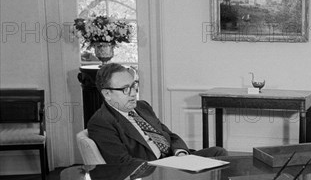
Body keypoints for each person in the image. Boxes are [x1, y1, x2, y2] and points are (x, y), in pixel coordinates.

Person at [88, 63, 227, 164]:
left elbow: (169, 136)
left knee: (218, 153)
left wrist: (180, 152)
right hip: (154, 171)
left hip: (175, 159)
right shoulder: (102, 122)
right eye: (125, 89)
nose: (133, 93)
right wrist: (163, 165)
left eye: (133, 86)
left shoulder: (142, 107)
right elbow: (123, 162)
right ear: (107, 94)